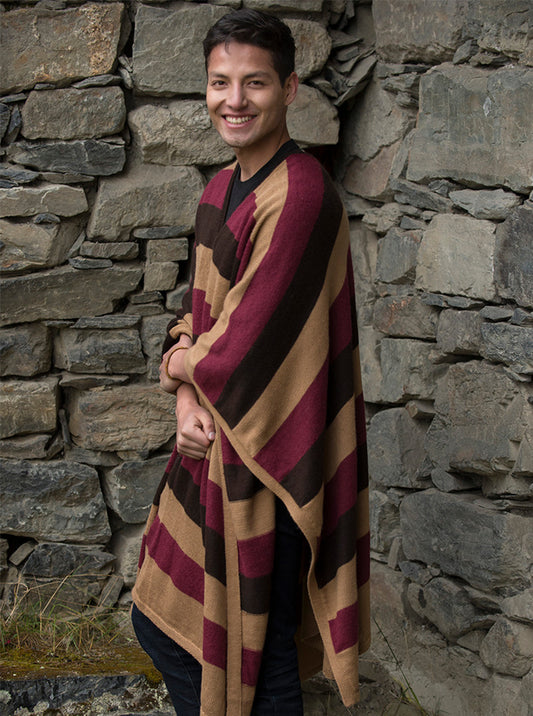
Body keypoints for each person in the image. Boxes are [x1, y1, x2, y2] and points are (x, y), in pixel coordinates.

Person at [131, 9, 370, 716]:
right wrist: (183, 396)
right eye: (220, 82)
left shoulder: (299, 196)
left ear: (289, 89)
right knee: (166, 627)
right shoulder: (220, 189)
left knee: (258, 660)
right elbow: (196, 320)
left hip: (268, 462)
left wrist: (176, 369)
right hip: (212, 444)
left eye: (255, 83)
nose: (233, 100)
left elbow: (236, 353)